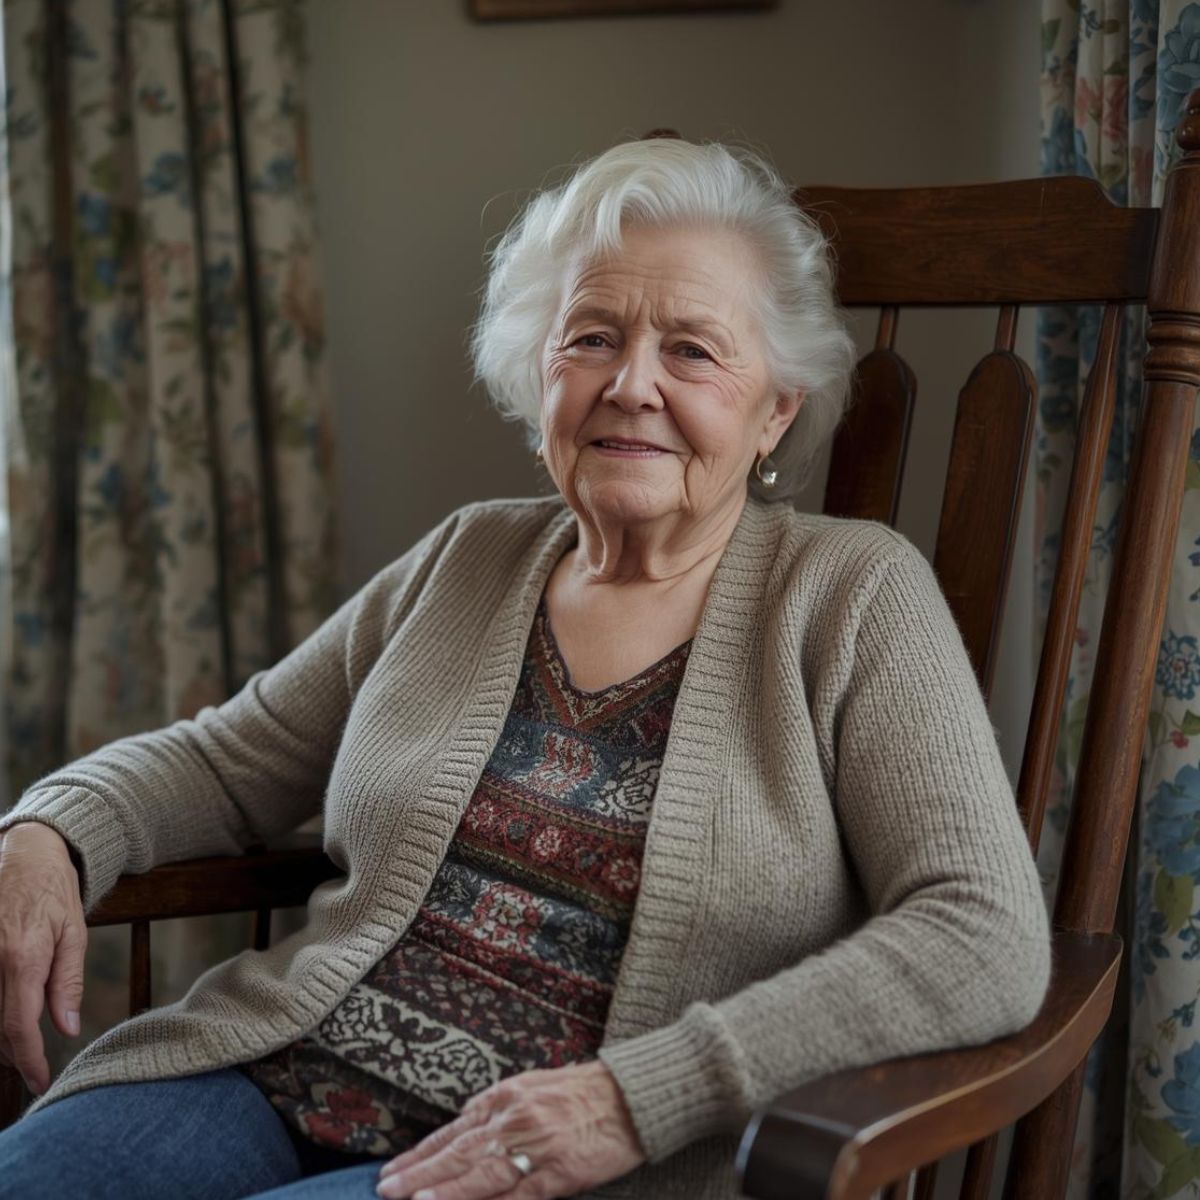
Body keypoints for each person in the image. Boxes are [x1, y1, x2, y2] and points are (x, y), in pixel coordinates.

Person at [0, 139, 1050, 1200]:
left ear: (775, 407)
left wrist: (637, 1097)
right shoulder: (472, 555)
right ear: (539, 370)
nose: (631, 386)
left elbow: (982, 933)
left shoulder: (853, 593)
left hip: (551, 1166)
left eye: (692, 351)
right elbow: (228, 764)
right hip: (270, 1075)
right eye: (592, 338)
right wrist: (50, 832)